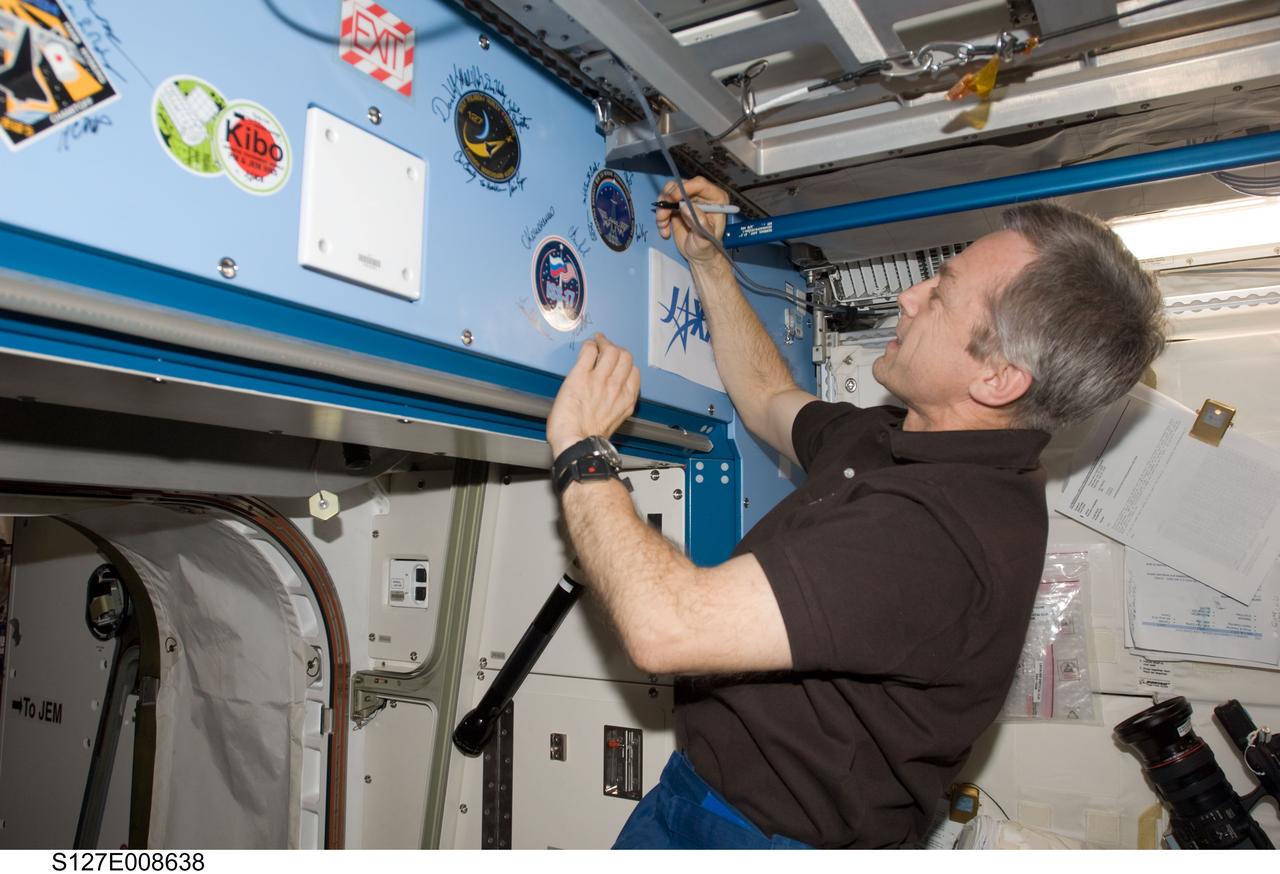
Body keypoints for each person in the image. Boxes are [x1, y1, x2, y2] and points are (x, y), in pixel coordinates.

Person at [544, 176, 1166, 849]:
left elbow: (665, 629)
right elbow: (768, 395)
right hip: (701, 795)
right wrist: (709, 262)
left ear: (997, 379)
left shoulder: (941, 540)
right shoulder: (897, 437)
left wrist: (583, 450)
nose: (909, 296)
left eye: (940, 294)